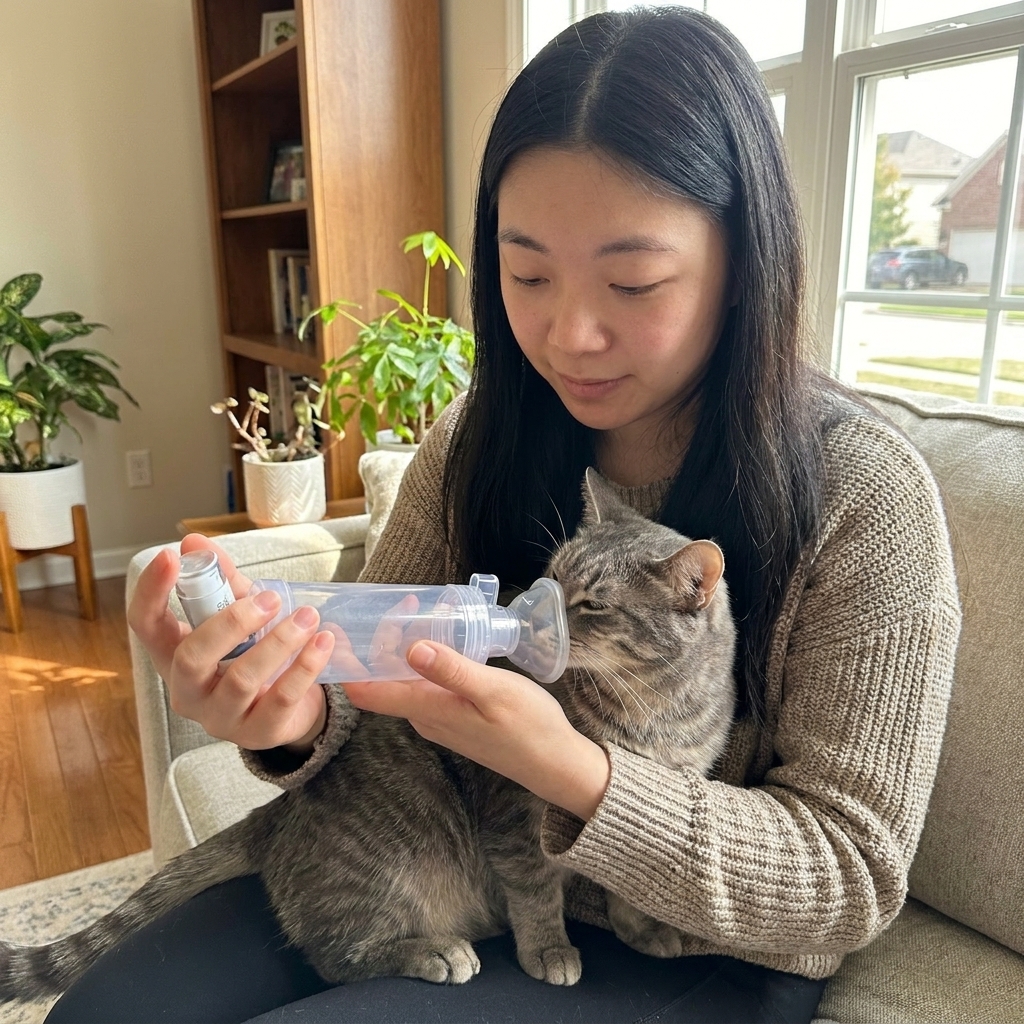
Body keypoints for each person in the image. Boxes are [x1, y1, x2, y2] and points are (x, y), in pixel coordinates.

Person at [48, 8, 960, 1023]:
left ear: (744, 260)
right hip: (467, 864)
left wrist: (569, 769)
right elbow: (372, 663)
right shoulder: (487, 429)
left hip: (688, 940)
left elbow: (850, 880)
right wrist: (292, 709)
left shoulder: (864, 496)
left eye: (633, 280)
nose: (567, 333)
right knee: (108, 1011)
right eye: (525, 273)